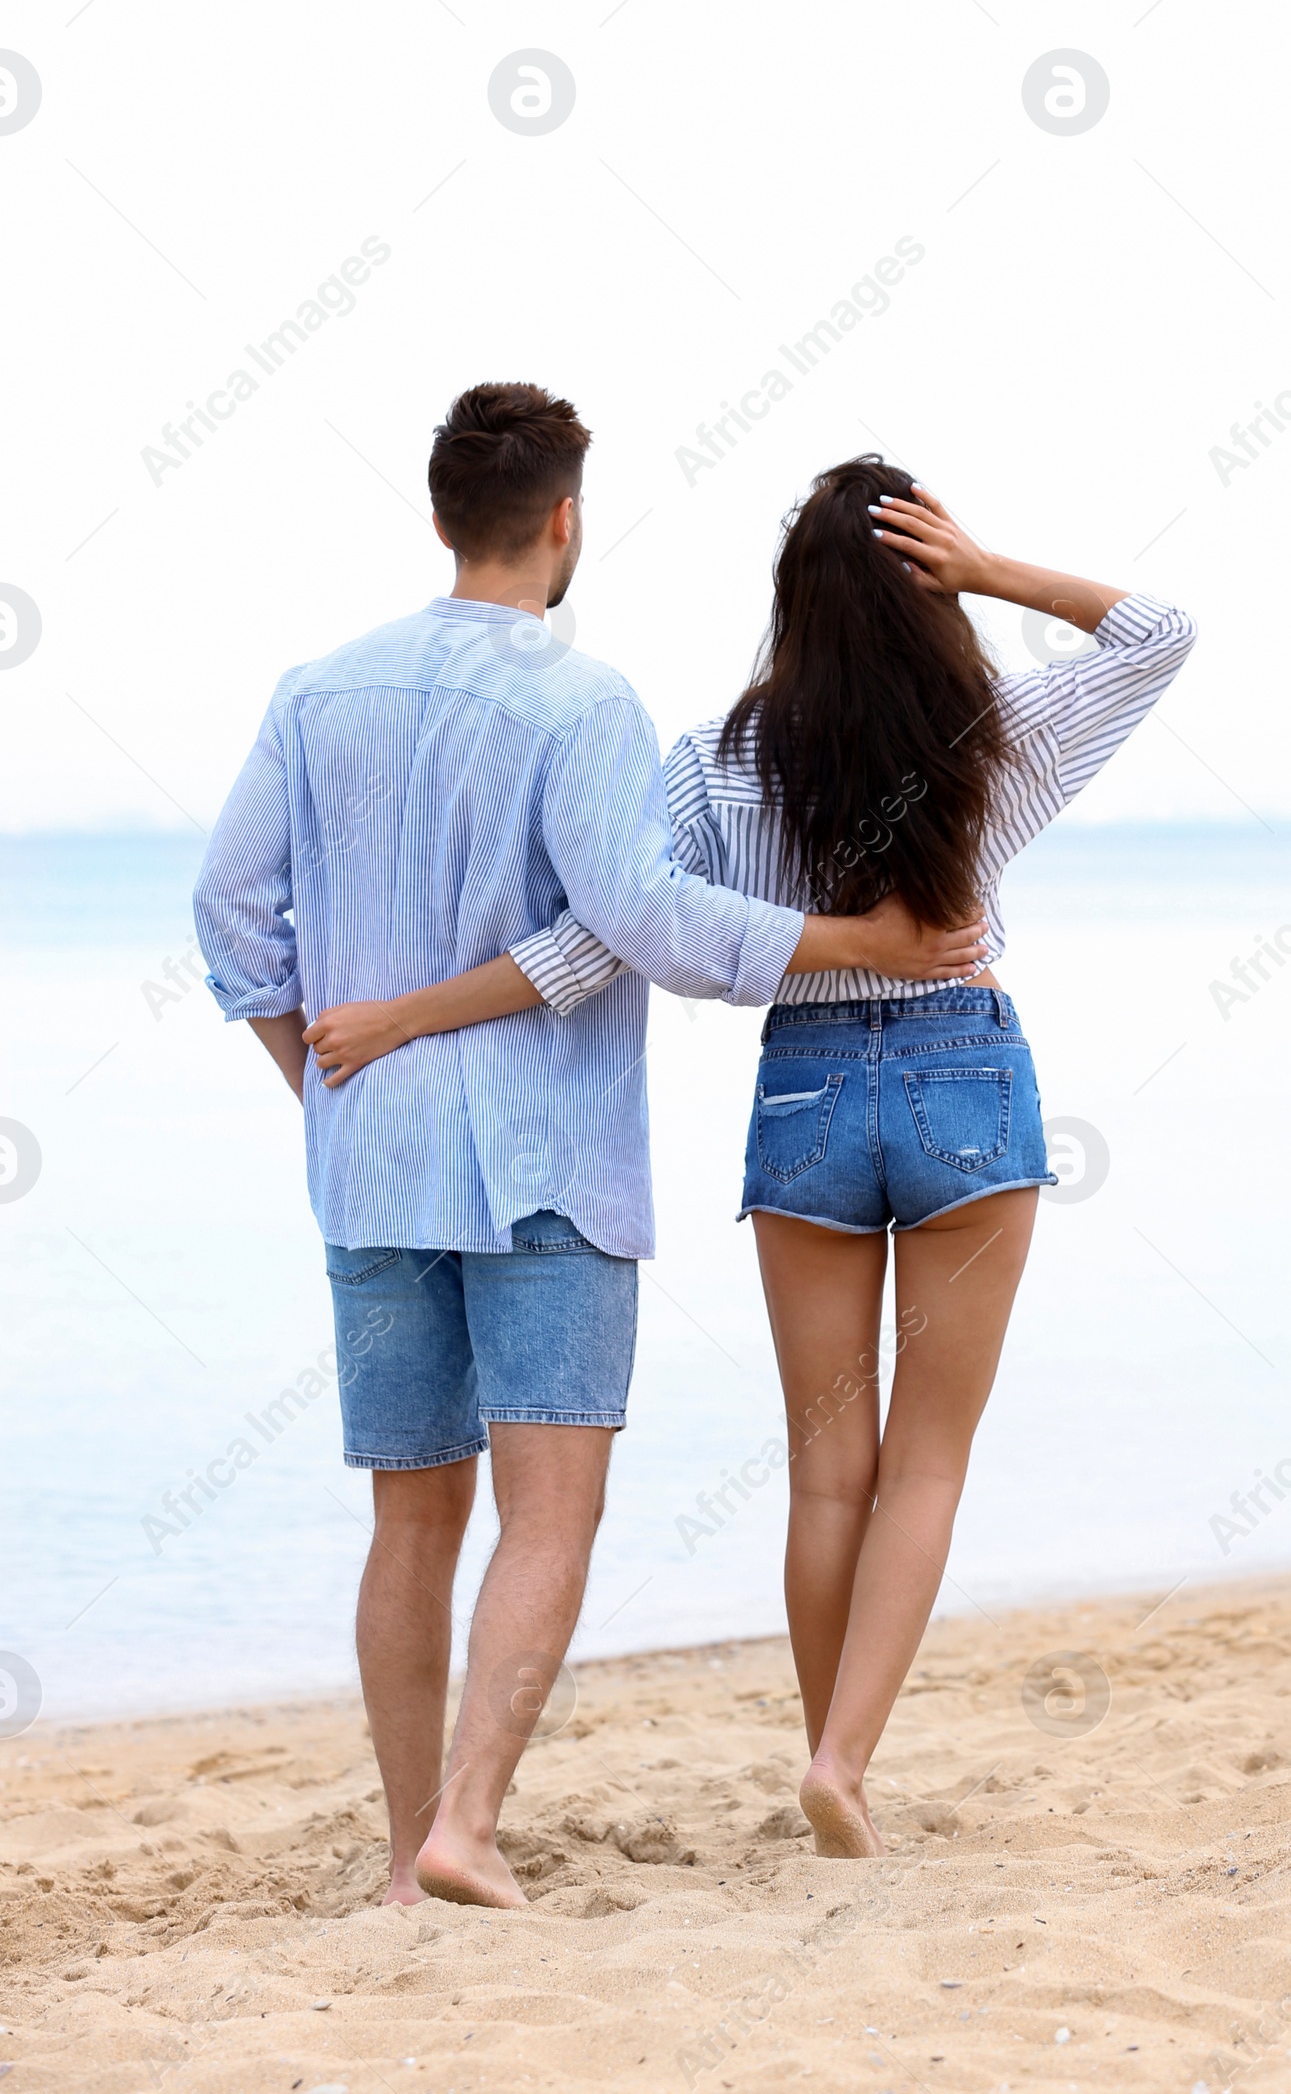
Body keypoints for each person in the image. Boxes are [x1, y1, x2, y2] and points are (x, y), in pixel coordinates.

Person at [311, 454, 1195, 1860]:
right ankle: (844, 1763)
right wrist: (989, 571)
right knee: (930, 1463)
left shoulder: (718, 763)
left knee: (827, 1469)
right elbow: (1160, 633)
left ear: (792, 604)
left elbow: (604, 936)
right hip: (966, 1079)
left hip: (809, 1098)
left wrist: (412, 1015)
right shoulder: (990, 741)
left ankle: (822, 1753)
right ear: (930, 592)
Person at [192, 391, 988, 1911]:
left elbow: (233, 912)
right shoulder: (584, 701)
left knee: (409, 1513)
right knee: (548, 1509)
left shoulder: (314, 693)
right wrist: (852, 937)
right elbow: (644, 923)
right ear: (564, 520)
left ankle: (403, 1835)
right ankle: (467, 1826)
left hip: (373, 1160)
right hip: (543, 1158)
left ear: (442, 519)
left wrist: (319, 1081)